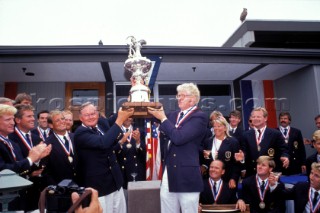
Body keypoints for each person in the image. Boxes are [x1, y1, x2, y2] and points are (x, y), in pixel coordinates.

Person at [147, 82, 208, 213]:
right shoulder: (173, 115)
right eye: (178, 95)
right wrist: (140, 97)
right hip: (169, 173)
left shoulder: (200, 116)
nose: (178, 98)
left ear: (192, 99)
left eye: (182, 95)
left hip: (187, 175)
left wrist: (163, 118)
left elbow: (179, 138)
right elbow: (154, 116)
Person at [74, 102, 133, 213]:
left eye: (93, 113)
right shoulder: (80, 133)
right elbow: (104, 142)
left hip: (116, 182)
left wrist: (128, 102)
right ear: (81, 118)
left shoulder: (100, 123)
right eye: (87, 115)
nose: (91, 117)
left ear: (98, 114)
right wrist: (120, 120)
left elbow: (114, 119)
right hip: (99, 188)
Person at [0, 104, 51, 211]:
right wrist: (30, 159)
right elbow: (4, 170)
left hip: (19, 196)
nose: (12, 123)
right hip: (4, 199)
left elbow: (20, 167)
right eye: (8, 120)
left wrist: (37, 158)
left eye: (12, 119)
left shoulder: (12, 143)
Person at [241, 107, 289, 177]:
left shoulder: (275, 134)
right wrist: (242, 158)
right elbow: (243, 153)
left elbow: (284, 150)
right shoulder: (245, 135)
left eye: (258, 117)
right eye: (253, 117)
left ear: (265, 118)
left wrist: (285, 157)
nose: (255, 119)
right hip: (252, 175)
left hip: (271, 175)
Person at [201, 116, 241, 188]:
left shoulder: (233, 142)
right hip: (210, 180)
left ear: (225, 128)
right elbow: (205, 160)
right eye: (214, 126)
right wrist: (203, 167)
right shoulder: (208, 141)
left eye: (219, 126)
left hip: (227, 180)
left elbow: (236, 164)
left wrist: (233, 178)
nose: (216, 128)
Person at [114, 117, 146, 203]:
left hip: (136, 172)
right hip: (122, 173)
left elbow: (146, 154)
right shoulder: (115, 131)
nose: (128, 119)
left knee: (137, 203)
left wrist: (138, 142)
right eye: (126, 116)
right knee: (123, 204)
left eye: (130, 117)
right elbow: (112, 152)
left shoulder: (140, 131)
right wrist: (121, 141)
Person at [44, 109, 77, 185]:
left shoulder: (76, 138)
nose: (62, 122)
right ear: (51, 125)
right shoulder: (47, 144)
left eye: (62, 119)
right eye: (57, 120)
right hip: (61, 188)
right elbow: (46, 171)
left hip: (80, 184)